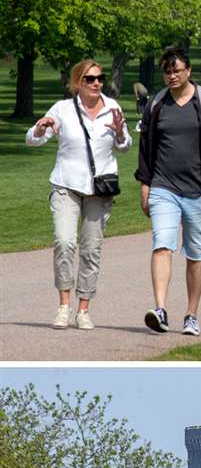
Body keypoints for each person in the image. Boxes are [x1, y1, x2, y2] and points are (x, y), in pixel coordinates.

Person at [26, 58, 132, 331]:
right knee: (64, 242)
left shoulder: (112, 107)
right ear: (77, 83)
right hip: (66, 184)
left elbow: (125, 146)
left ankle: (83, 309)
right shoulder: (62, 109)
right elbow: (34, 139)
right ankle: (64, 306)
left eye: (100, 78)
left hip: (99, 189)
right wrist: (40, 128)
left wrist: (121, 134)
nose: (96, 83)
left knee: (91, 248)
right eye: (89, 79)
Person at [137, 46, 201, 337]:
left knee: (195, 252)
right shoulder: (156, 105)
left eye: (177, 70)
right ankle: (161, 309)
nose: (172, 76)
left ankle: (191, 314)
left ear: (188, 70)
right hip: (163, 187)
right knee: (162, 244)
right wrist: (145, 186)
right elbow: (145, 152)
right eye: (167, 71)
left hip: (198, 190)